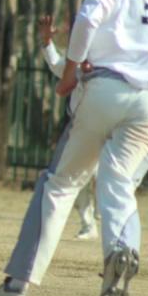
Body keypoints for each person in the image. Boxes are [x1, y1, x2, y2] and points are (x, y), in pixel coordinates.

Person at [0, 0, 148, 296]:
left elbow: (90, 15)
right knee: (118, 186)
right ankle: (119, 251)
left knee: (60, 184)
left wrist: (71, 69)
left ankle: (18, 286)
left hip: (106, 87)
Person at [37, 14, 97, 241]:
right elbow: (57, 66)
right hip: (80, 126)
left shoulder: (109, 58)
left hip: (108, 126)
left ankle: (109, 226)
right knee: (76, 176)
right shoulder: (78, 61)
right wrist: (46, 41)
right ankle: (88, 224)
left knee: (104, 178)